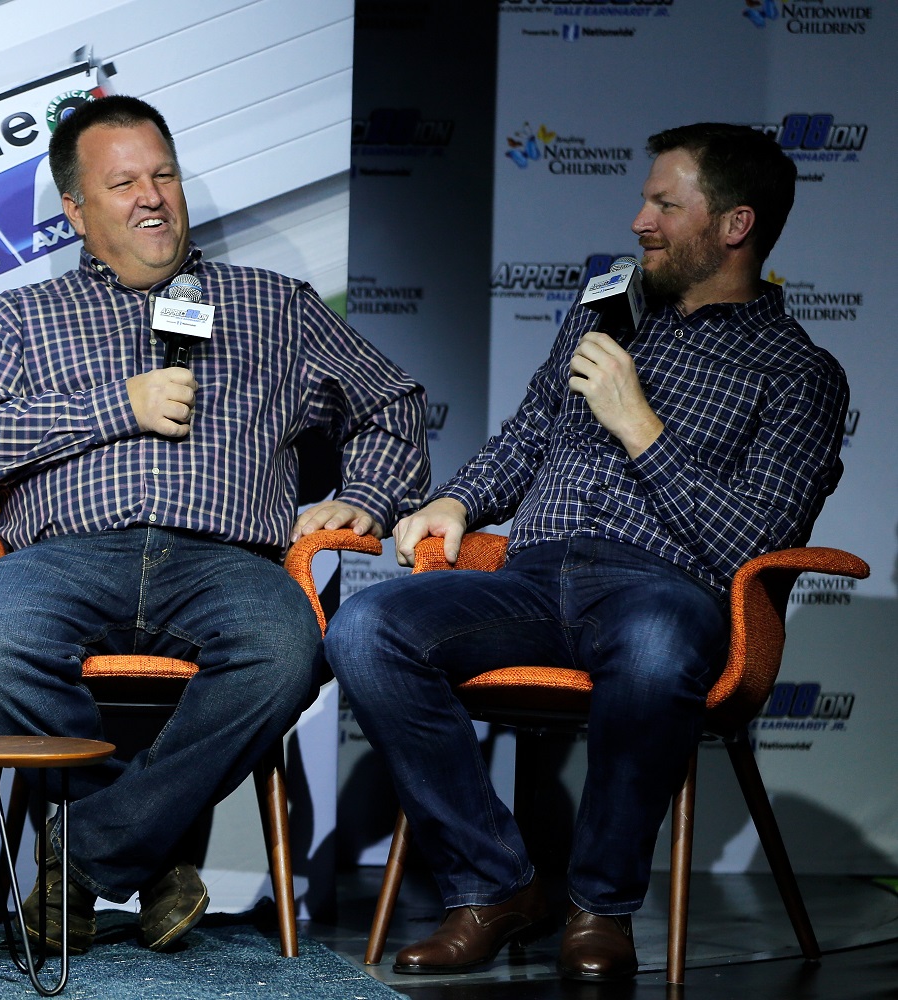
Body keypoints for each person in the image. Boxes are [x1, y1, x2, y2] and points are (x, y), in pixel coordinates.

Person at [325, 123, 848, 981]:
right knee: (366, 629)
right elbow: (529, 434)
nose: (639, 219)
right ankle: (494, 885)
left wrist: (641, 426)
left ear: (735, 225)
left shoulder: (798, 373)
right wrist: (458, 499)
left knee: (654, 645)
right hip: (528, 580)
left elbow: (756, 542)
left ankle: (600, 908)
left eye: (665, 205)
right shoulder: (604, 312)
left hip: (662, 589)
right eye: (645, 199)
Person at [0, 95, 429, 953]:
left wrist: (371, 498)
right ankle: (152, 859)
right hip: (65, 557)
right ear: (78, 211)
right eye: (123, 182)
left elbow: (394, 401)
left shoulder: (274, 306)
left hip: (225, 559)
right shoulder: (19, 318)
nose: (152, 196)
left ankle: (82, 858)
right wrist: (113, 406)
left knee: (286, 652)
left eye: (162, 174)